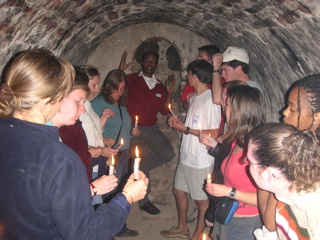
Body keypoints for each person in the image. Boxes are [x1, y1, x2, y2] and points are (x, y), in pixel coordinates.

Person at [0, 49, 148, 240]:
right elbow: (85, 233)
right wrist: (126, 197)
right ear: (52, 99)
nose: (81, 108)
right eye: (74, 99)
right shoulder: (60, 159)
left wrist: (91, 189)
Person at [161, 60, 221, 240]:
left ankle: (197, 235)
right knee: (178, 191)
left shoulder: (211, 100)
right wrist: (179, 124)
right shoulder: (195, 98)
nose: (187, 77)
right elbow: (192, 126)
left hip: (201, 160)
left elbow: (214, 132)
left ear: (195, 75)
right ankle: (182, 228)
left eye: (189, 74)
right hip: (187, 156)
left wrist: (185, 129)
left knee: (202, 201)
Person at [255, 74, 320, 238]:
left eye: (293, 109)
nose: (284, 112)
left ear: (317, 116)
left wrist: (267, 166)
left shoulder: (301, 159)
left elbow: (270, 221)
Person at [201, 85, 265, 239]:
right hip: (228, 213)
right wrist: (215, 146)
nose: (224, 107)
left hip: (245, 223)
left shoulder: (258, 148)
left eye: (227, 104)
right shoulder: (237, 139)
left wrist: (228, 192)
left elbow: (265, 200)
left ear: (239, 110)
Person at [248, 123, 320, 240]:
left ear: (269, 174)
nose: (247, 165)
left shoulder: (312, 218)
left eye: (249, 161)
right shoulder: (285, 198)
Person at [125, 51, 176, 215]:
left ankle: (137, 168)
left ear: (156, 65)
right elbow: (118, 92)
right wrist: (120, 70)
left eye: (153, 62)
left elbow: (163, 111)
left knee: (168, 153)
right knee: (141, 161)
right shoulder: (132, 79)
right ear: (142, 62)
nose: (150, 64)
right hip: (136, 129)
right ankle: (144, 202)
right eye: (147, 60)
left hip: (152, 128)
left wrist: (169, 93)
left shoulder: (160, 85)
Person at [79, 65, 119, 205]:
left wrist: (104, 117)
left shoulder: (88, 105)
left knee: (97, 202)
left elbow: (94, 130)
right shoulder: (77, 108)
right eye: (94, 85)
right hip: (87, 162)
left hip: (96, 160)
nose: (97, 89)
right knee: (95, 204)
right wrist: (102, 150)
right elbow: (78, 141)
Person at [180, 45, 220, 110]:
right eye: (198, 58)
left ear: (212, 60)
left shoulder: (220, 79)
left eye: (201, 58)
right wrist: (190, 101)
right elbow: (185, 106)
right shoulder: (192, 79)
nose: (198, 60)